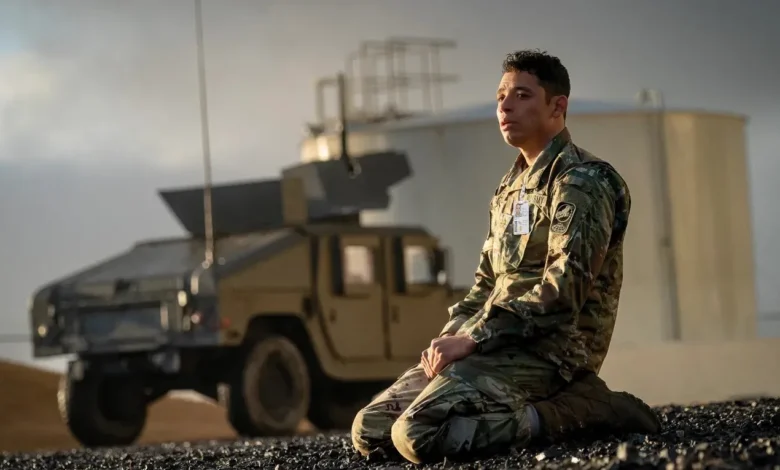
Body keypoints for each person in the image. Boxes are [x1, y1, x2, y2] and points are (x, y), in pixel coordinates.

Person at [350, 49, 661, 464]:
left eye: (522, 95)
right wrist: (453, 336)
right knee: (370, 430)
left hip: (552, 352)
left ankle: (581, 409)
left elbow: (564, 290)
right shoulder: (510, 188)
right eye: (501, 96)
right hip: (491, 345)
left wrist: (474, 338)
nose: (505, 105)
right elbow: (486, 283)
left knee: (417, 434)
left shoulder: (581, 181)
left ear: (557, 107)